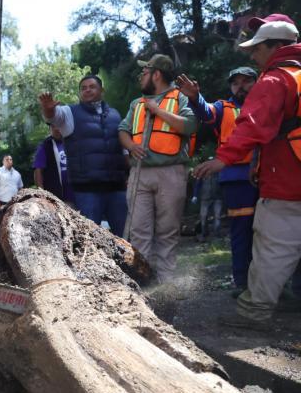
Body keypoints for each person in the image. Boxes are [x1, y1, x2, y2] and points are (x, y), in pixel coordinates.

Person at [195, 17, 301, 329]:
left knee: (271, 245)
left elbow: (252, 125)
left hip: (287, 178)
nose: (252, 55)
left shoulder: (275, 80)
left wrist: (222, 158)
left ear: (276, 48)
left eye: (257, 49)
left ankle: (255, 312)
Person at [118, 54, 198, 284]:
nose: (140, 77)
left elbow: (190, 126)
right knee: (138, 231)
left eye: (144, 72)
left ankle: (164, 286)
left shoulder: (180, 98)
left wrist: (158, 111)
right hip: (139, 173)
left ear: (156, 74)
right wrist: (131, 145)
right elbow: (122, 130)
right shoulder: (136, 104)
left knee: (167, 232)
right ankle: (142, 282)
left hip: (171, 172)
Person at [178, 67, 258, 290]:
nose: (240, 86)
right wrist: (195, 97)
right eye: (235, 83)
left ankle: (270, 285)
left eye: (246, 81)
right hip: (236, 177)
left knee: (270, 232)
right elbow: (206, 112)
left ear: (257, 82)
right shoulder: (225, 107)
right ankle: (242, 282)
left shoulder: (267, 103)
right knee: (242, 231)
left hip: (270, 174)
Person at [39, 75, 128, 233]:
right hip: (87, 190)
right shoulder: (69, 113)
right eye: (83, 88)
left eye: (91, 87)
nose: (87, 90)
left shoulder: (115, 114)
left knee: (124, 236)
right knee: (90, 239)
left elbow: (123, 147)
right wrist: (48, 108)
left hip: (117, 188)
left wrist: (129, 175)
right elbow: (53, 116)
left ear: (102, 90)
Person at [32, 125, 74, 205]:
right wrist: (42, 193)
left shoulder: (72, 141)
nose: (56, 129)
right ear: (50, 129)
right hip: (58, 198)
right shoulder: (45, 146)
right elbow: (38, 169)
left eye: (58, 125)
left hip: (78, 194)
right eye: (53, 126)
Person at [191, 167, 223, 242]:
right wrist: (195, 195)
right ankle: (204, 233)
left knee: (217, 216)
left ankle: (217, 235)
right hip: (205, 197)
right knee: (203, 216)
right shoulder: (203, 173)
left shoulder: (220, 173)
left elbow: (223, 184)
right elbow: (198, 184)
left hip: (217, 197)